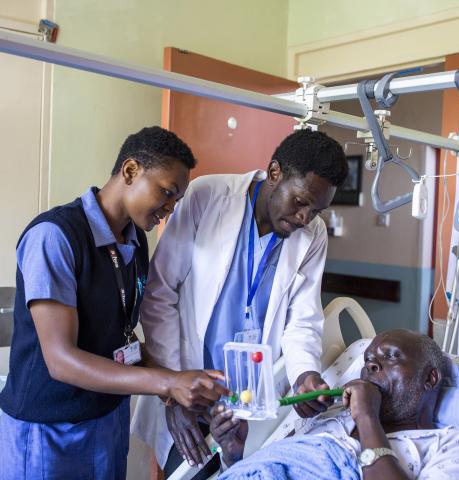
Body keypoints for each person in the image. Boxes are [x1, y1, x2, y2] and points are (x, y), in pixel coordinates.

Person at [0, 126, 229, 480]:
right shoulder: (54, 236)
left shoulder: (136, 241)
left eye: (175, 202)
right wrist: (167, 384)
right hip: (49, 428)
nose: (168, 210)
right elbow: (61, 360)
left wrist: (178, 384)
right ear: (130, 171)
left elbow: (121, 335)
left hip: (106, 419)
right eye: (166, 193)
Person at [134, 129, 349, 476]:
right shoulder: (208, 195)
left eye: (316, 210)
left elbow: (303, 320)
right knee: (184, 470)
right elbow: (160, 294)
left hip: (249, 407)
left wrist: (304, 374)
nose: (304, 218)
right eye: (300, 202)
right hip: (189, 388)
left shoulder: (314, 234)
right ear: (275, 172)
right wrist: (172, 390)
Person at [211, 329, 459, 479]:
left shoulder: (452, 446)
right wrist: (233, 455)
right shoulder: (331, 417)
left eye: (391, 356)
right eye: (368, 360)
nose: (371, 365)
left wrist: (366, 417)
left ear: (430, 378)